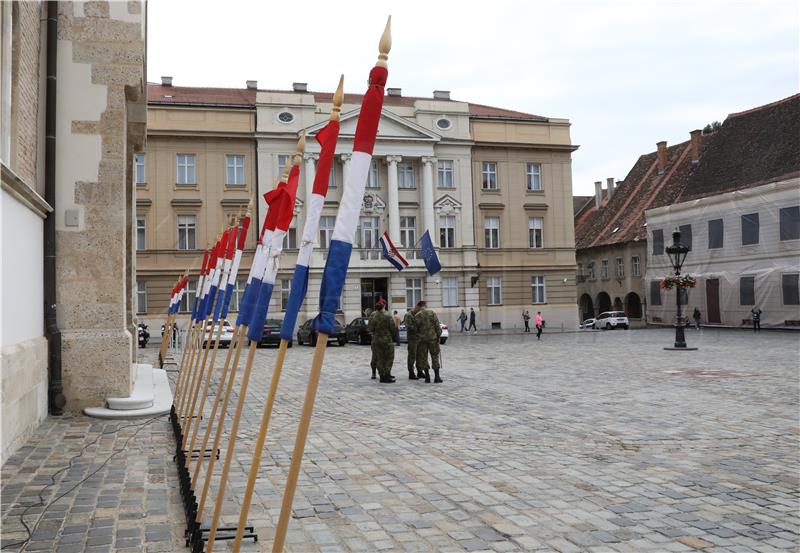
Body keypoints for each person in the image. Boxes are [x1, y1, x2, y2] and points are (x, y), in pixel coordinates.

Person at [368, 299, 396, 383]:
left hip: (376, 339)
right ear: (384, 306)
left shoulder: (373, 315)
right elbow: (393, 328)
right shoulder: (388, 315)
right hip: (387, 340)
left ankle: (381, 376)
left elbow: (370, 328)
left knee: (379, 358)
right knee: (389, 357)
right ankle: (387, 374)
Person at [415, 301, 443, 383]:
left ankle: (427, 377)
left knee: (424, 358)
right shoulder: (432, 313)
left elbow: (415, 328)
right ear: (425, 305)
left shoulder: (418, 315)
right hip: (432, 339)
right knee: (434, 356)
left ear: (420, 307)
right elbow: (437, 325)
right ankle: (437, 377)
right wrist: (439, 335)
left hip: (422, 340)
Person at [403, 306, 421, 380]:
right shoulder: (408, 315)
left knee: (420, 355)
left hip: (419, 338)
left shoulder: (417, 315)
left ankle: (420, 371)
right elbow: (409, 326)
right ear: (415, 309)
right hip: (412, 338)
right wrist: (419, 326)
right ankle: (411, 373)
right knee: (412, 356)